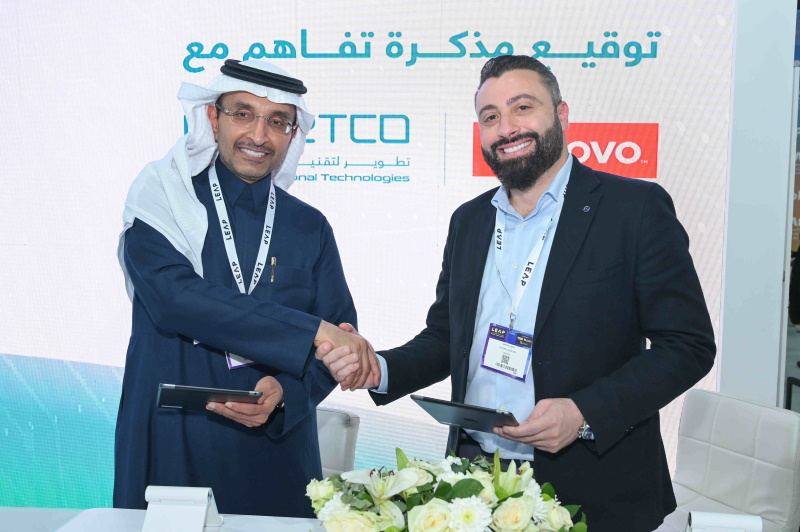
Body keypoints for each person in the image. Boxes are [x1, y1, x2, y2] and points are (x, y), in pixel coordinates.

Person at [318, 55, 716, 531]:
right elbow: (447, 338)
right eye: (490, 117)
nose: (506, 128)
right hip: (475, 487)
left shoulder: (634, 208)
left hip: (596, 489)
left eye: (522, 107)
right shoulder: (470, 221)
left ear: (561, 114)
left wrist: (584, 412)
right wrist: (379, 368)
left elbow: (687, 345)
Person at [115, 59, 377, 518]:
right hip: (174, 442)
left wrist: (287, 392)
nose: (259, 135)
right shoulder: (164, 199)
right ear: (212, 118)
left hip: (276, 451)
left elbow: (338, 337)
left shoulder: (309, 226)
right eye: (243, 114)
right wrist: (313, 331)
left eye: (277, 121)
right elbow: (176, 300)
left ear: (292, 134)